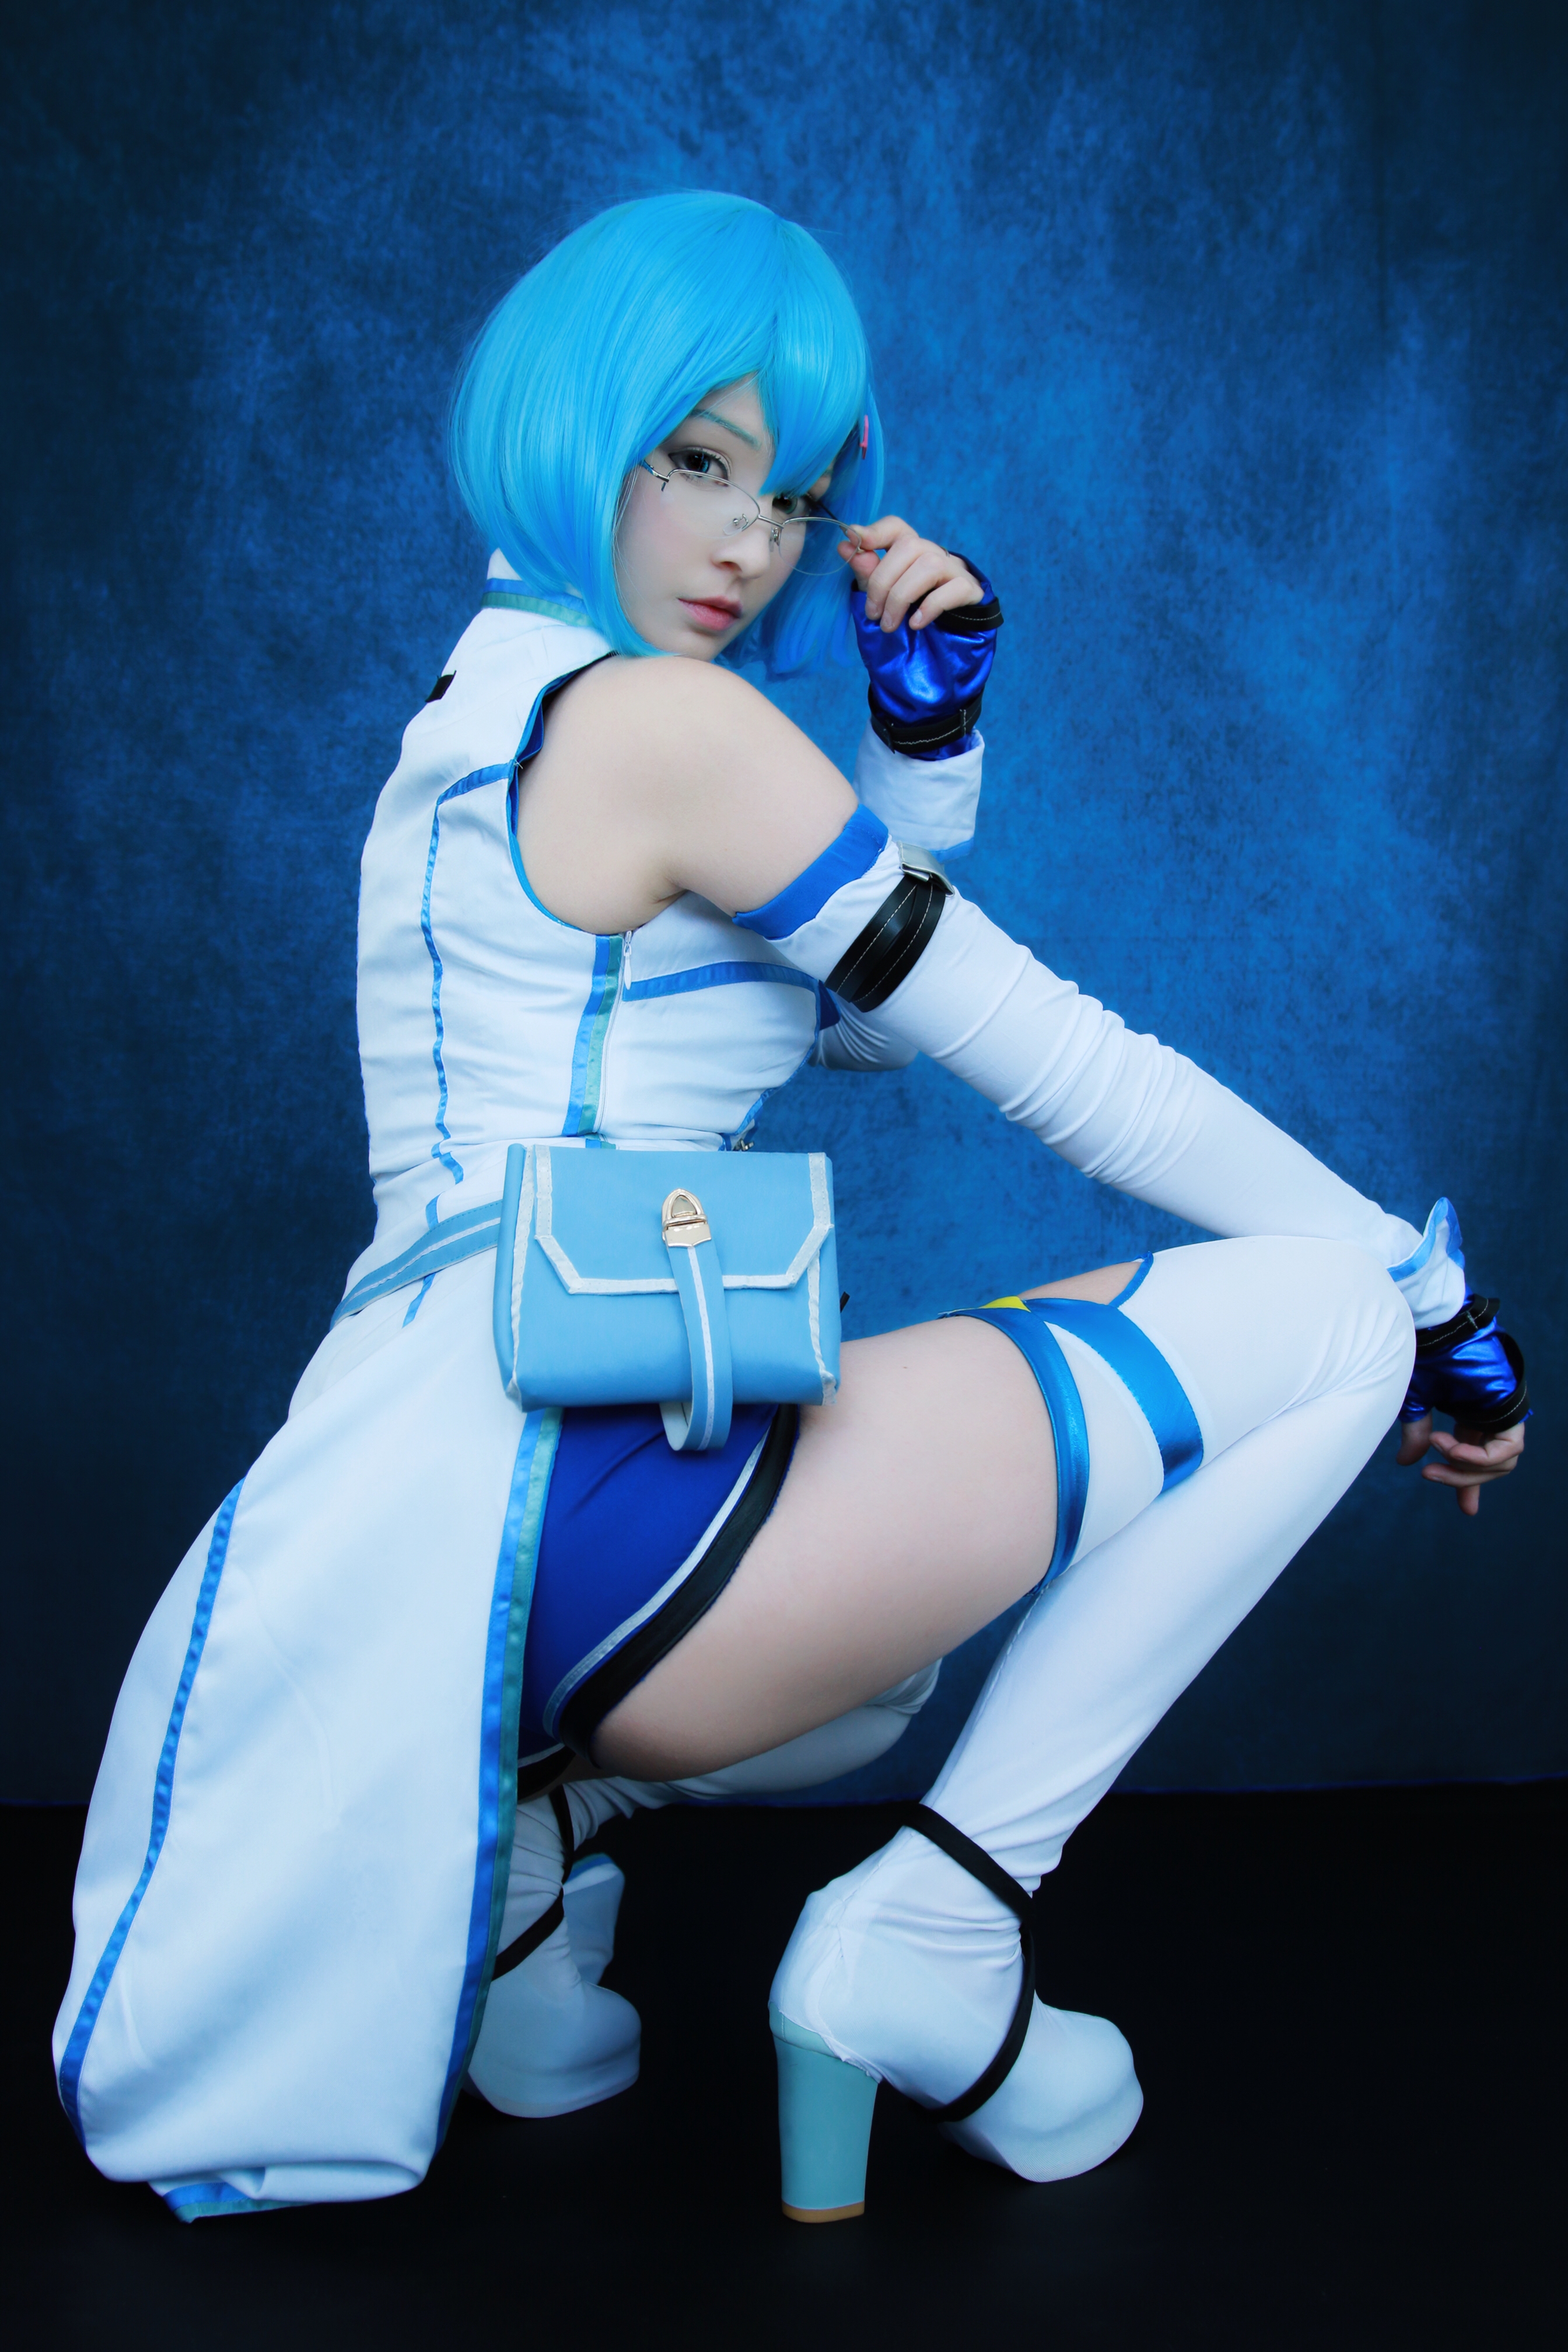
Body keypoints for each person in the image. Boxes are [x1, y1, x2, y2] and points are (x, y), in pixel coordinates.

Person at [53, 192, 1527, 2225]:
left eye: (799, 494)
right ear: (580, 420)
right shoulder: (669, 724)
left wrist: (924, 756)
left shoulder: (493, 706)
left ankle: (518, 1880)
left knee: (893, 1664)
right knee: (1333, 1320)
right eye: (698, 460)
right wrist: (1430, 1291)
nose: (751, 541)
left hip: (448, 1555)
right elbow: (1059, 1060)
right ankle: (940, 1936)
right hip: (616, 1510)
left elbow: (830, 1032)